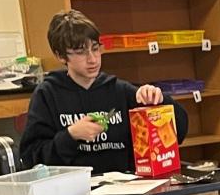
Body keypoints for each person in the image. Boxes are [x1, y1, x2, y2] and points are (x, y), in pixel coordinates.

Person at [20, 9, 188, 174]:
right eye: (80, 52)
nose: (92, 59)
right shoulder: (47, 94)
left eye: (95, 48)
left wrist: (159, 100)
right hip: (74, 192)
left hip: (126, 187)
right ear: (61, 56)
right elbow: (31, 159)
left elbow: (179, 130)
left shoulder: (119, 89)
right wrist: (70, 136)